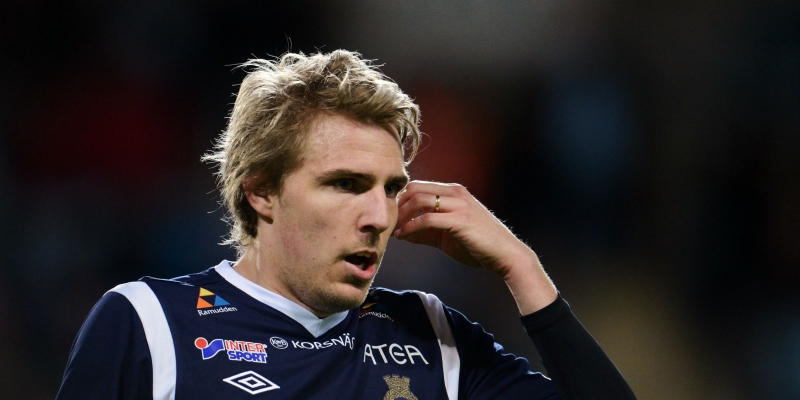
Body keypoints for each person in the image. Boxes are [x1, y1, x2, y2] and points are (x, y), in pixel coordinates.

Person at [57, 50, 636, 399]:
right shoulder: (149, 325)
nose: (379, 217)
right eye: (345, 184)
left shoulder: (431, 338)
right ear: (261, 191)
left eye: (391, 188)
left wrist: (521, 266)